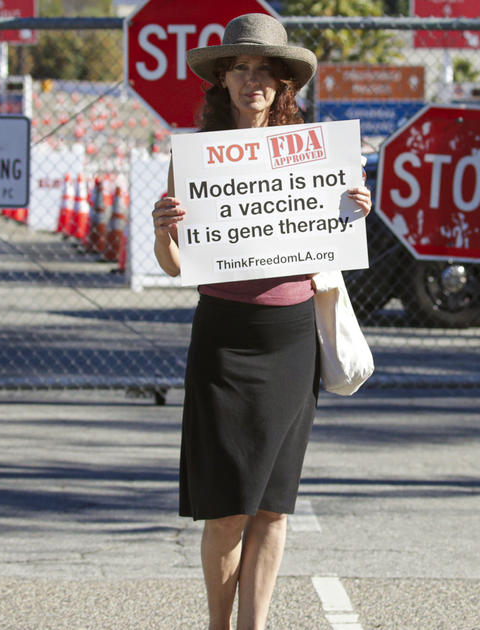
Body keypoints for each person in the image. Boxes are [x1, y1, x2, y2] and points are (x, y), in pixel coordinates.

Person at [150, 14, 371, 630]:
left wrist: (353, 212)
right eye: (240, 68)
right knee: (225, 510)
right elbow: (173, 266)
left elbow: (332, 243)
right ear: (222, 79)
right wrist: (163, 228)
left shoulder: (311, 156)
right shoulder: (194, 158)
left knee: (273, 508)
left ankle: (256, 626)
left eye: (264, 71)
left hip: (291, 339)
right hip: (224, 340)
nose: (253, 80)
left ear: (281, 85)